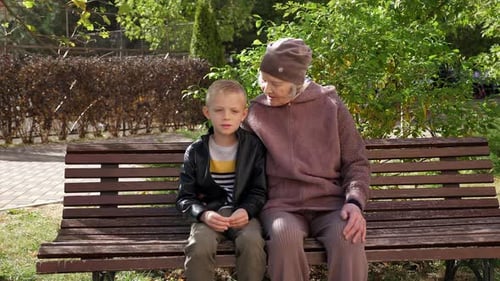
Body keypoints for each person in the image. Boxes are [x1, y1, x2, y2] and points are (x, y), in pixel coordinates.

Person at [242, 38, 370, 281]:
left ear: (297, 82)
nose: (266, 89)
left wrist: (354, 203)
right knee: (283, 238)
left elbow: (356, 162)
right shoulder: (255, 113)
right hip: (281, 206)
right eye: (263, 79)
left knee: (349, 237)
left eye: (275, 83)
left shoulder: (330, 105)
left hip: (330, 205)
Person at [176, 79, 267, 281]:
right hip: (210, 214)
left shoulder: (253, 148)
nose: (226, 117)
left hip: (242, 214)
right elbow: (184, 198)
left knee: (252, 243)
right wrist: (203, 214)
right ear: (207, 112)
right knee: (199, 246)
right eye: (219, 110)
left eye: (234, 111)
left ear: (244, 114)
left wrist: (247, 210)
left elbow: (259, 190)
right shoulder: (196, 151)